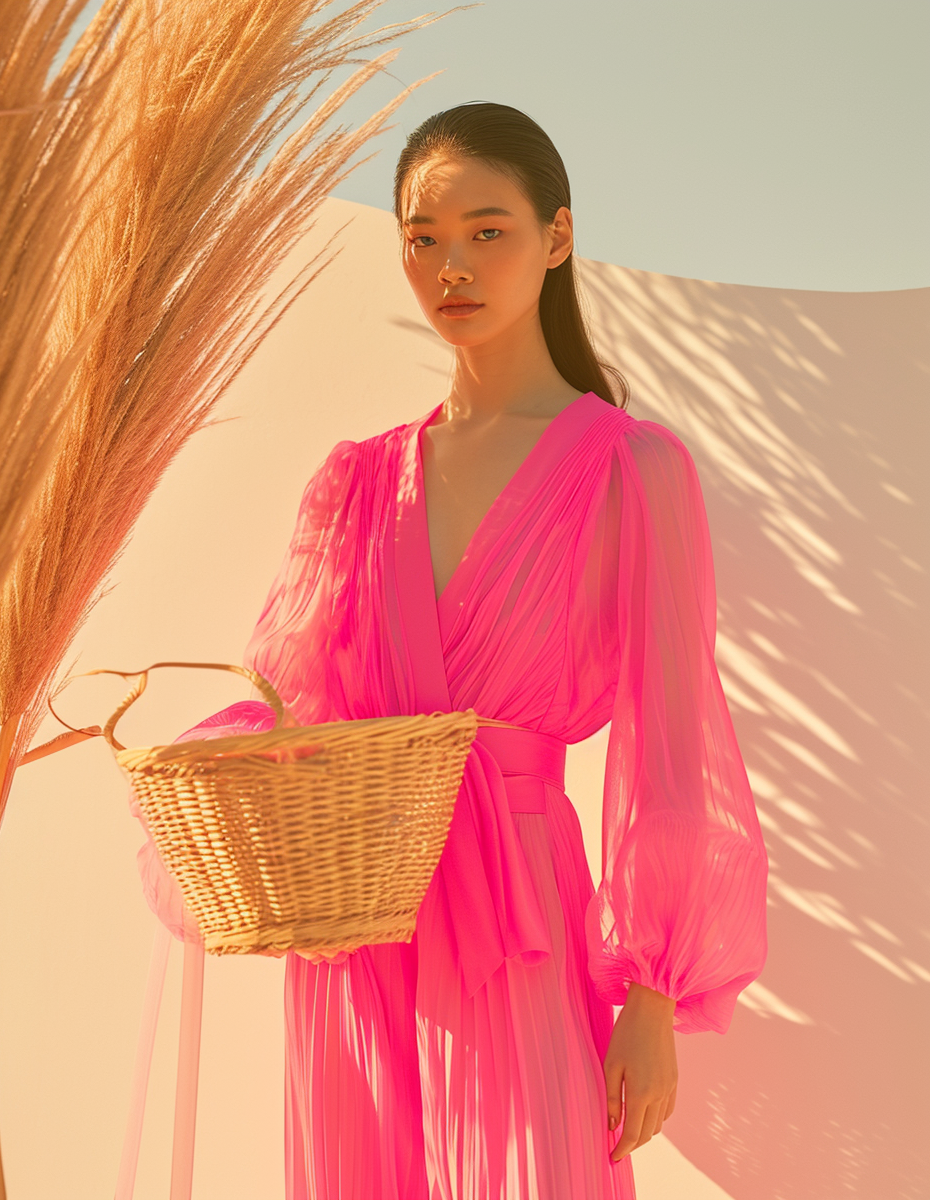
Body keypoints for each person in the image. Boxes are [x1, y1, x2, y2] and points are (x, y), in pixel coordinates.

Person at [134, 101, 769, 1199]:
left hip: (521, 913)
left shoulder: (634, 470)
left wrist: (652, 998)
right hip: (363, 918)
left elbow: (674, 743)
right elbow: (287, 699)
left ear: (557, 239)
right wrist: (194, 763)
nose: (452, 266)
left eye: (488, 231)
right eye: (422, 238)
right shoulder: (355, 480)